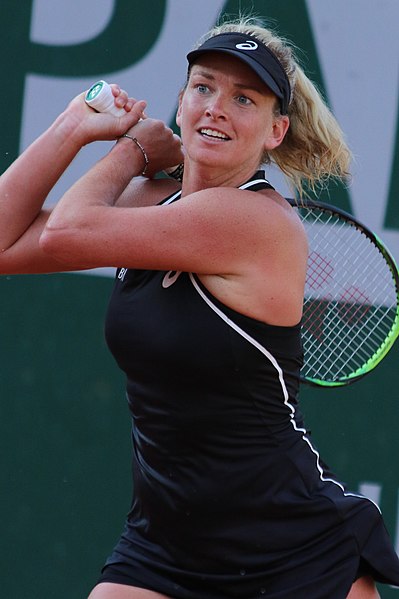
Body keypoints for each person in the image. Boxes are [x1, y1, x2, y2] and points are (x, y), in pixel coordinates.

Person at [1, 15, 399, 599]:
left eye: (244, 98)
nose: (216, 107)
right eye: (204, 87)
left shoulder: (252, 221)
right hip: (165, 543)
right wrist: (73, 124)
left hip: (291, 548)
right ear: (183, 100)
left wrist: (132, 148)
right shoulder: (157, 206)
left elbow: (66, 232)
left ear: (275, 131)